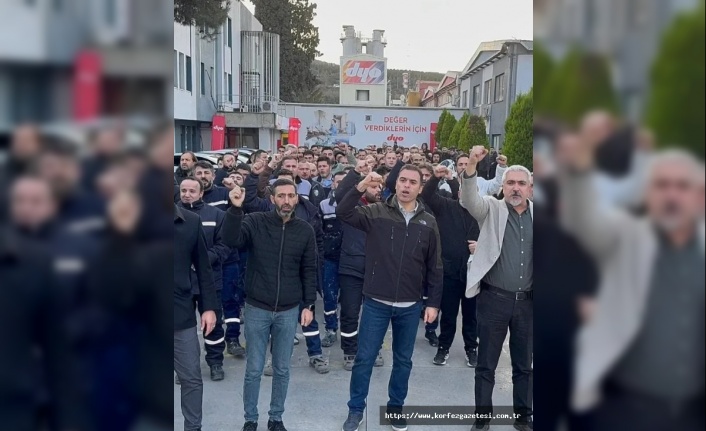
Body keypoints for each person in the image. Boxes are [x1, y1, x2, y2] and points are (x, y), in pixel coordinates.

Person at [559, 137, 705, 431]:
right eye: (662, 185)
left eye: (682, 186)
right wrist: (578, 173)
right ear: (647, 195)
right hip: (625, 405)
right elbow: (584, 224)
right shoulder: (626, 234)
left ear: (700, 196)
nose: (672, 195)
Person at [337, 165, 443, 431]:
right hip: (377, 302)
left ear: (420, 188)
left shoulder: (428, 222)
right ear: (395, 184)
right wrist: (361, 185)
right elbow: (344, 212)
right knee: (364, 359)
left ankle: (396, 408)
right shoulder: (376, 212)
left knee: (403, 361)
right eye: (402, 180)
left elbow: (435, 266)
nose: (406, 185)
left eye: (413, 182)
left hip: (410, 305)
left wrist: (433, 303)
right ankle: (355, 410)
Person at [222, 180, 318, 431]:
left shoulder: (305, 230)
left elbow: (309, 269)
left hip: (289, 310)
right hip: (257, 308)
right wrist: (235, 209)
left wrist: (308, 304)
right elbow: (231, 239)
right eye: (281, 196)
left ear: (297, 198)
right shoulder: (255, 221)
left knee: (282, 369)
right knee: (254, 369)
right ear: (272, 198)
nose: (286, 200)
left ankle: (276, 418)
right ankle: (250, 419)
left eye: (291, 196)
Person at [460, 145, 534, 431]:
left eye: (521, 183)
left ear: (530, 188)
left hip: (528, 303)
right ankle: (482, 418)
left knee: (524, 365)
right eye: (510, 182)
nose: (516, 188)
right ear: (502, 186)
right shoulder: (492, 208)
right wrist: (471, 166)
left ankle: (524, 417)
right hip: (494, 300)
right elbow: (469, 199)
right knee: (486, 364)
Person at [422, 165, 481, 367]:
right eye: (464, 191)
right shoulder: (446, 206)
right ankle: (443, 347)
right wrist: (436, 177)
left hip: (473, 275)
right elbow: (427, 195)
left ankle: (471, 349)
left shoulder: (483, 213)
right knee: (448, 314)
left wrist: (481, 247)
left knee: (471, 316)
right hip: (449, 273)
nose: (467, 195)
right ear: (459, 192)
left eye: (472, 192)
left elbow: (496, 238)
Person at [178, 177, 231, 381]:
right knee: (180, 328)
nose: (187, 194)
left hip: (209, 280)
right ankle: (183, 368)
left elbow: (224, 245)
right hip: (180, 284)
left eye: (192, 191)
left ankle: (215, 362)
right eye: (184, 190)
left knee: (213, 324)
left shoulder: (216, 215)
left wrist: (202, 260)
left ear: (201, 193)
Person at [335, 162, 386, 371]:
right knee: (350, 312)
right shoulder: (352, 206)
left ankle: (374, 348)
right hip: (352, 268)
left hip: (377, 270)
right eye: (372, 186)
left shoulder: (386, 208)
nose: (376, 190)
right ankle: (349, 350)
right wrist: (357, 172)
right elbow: (340, 196)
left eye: (378, 187)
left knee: (376, 314)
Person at [174, 202, 218, 431]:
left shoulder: (190, 222)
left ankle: (193, 427)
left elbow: (203, 268)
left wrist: (208, 307)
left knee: (191, 377)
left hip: (180, 312)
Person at [318, 170, 347, 347]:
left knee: (350, 299)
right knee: (329, 295)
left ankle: (349, 331)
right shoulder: (323, 205)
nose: (341, 185)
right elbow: (318, 231)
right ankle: (330, 329)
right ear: (332, 184)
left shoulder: (358, 204)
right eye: (338, 182)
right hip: (330, 259)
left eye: (344, 181)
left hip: (350, 259)